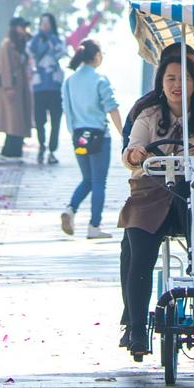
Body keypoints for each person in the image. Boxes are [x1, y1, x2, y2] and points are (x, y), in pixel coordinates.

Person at [115, 43, 194, 356]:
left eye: (185, 78)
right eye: (171, 78)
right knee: (138, 251)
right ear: (161, 83)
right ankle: (136, 327)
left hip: (189, 195)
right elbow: (131, 150)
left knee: (190, 193)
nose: (178, 85)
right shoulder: (146, 115)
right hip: (150, 194)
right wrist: (136, 154)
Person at [59, 40, 121, 239]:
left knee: (87, 179)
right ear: (95, 56)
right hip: (99, 137)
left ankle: (71, 209)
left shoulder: (69, 81)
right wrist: (124, 133)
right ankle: (94, 226)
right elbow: (111, 107)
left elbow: (67, 111)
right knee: (99, 183)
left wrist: (74, 134)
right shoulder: (100, 79)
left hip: (79, 137)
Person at [27, 14, 67, 165]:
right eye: (42, 22)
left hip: (54, 84)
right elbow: (30, 50)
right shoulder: (35, 40)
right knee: (39, 119)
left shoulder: (57, 39)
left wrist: (50, 40)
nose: (44, 25)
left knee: (56, 119)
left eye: (47, 23)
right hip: (39, 85)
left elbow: (61, 51)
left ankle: (52, 149)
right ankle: (41, 145)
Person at [0, 16, 34, 160]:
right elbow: (5, 67)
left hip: (22, 85)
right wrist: (8, 86)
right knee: (12, 119)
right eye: (21, 27)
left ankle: (16, 149)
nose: (24, 30)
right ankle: (10, 150)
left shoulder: (22, 43)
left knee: (20, 118)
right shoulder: (7, 44)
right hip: (11, 86)